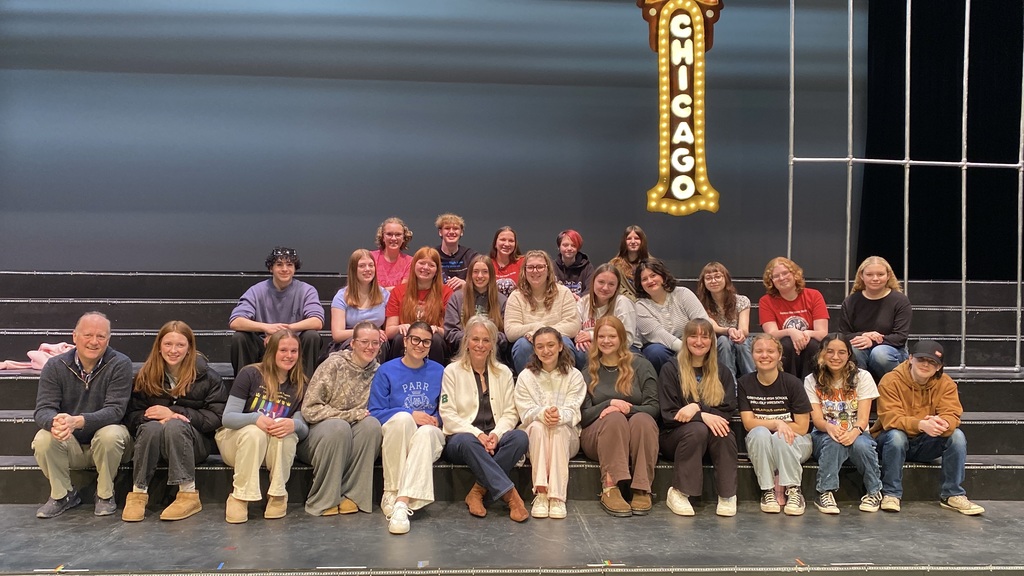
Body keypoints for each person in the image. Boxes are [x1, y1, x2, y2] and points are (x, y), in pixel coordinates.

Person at [122, 321, 228, 522]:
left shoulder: (208, 377)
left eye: (180, 345)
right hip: (155, 442)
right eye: (168, 344)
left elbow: (217, 417)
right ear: (159, 347)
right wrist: (151, 416)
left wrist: (173, 413)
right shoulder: (145, 375)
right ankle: (138, 493)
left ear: (189, 348)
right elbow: (131, 415)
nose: (173, 350)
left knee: (175, 425)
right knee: (151, 427)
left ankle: (188, 494)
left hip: (194, 445)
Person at [32, 312, 133, 519]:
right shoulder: (55, 366)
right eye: (87, 335)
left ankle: (105, 494)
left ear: (108, 339)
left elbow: (115, 410)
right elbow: (43, 409)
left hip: (109, 444)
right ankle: (62, 495)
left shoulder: (120, 364)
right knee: (43, 438)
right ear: (74, 336)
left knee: (110, 434)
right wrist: (56, 422)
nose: (94, 342)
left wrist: (78, 421)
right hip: (71, 444)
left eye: (101, 336)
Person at [871, 340, 984, 515]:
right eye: (921, 359)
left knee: (957, 436)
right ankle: (891, 494)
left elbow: (952, 414)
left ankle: (952, 494)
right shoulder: (891, 380)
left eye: (932, 362)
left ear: (939, 367)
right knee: (896, 436)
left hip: (924, 443)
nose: (926, 364)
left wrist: (942, 423)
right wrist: (921, 424)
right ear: (910, 358)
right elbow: (889, 418)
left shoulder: (946, 383)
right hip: (890, 442)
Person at [440, 316, 530, 522]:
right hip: (463, 441)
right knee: (466, 440)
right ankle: (511, 497)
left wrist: (496, 436)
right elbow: (448, 414)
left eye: (486, 340)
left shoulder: (504, 372)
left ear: (492, 345)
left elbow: (511, 413)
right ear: (466, 343)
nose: (480, 345)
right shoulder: (451, 371)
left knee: (520, 438)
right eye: (475, 339)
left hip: (494, 438)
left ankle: (478, 491)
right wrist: (478, 434)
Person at [215, 330, 309, 523]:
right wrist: (253, 419)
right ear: (272, 350)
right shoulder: (250, 373)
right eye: (283, 350)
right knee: (254, 432)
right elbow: (228, 418)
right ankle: (239, 497)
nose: (289, 356)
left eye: (294, 351)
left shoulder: (300, 384)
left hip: (272, 449)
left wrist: (294, 424)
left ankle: (277, 495)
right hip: (237, 444)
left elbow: (303, 428)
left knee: (288, 434)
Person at [298, 321, 383, 516]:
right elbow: (310, 409)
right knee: (339, 427)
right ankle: (324, 498)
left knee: (371, 426)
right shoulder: (333, 365)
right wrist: (349, 416)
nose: (370, 347)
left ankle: (353, 496)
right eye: (364, 342)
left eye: (375, 343)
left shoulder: (378, 372)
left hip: (352, 435)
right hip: (319, 436)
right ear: (352, 343)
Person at [368, 322, 445, 535]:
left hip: (429, 434)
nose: (420, 345)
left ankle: (401, 502)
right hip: (398, 433)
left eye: (426, 341)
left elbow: (447, 407)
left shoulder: (439, 371)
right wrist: (411, 414)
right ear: (406, 341)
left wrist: (437, 419)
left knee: (426, 433)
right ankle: (391, 491)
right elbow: (375, 411)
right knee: (402, 418)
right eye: (416, 339)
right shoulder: (387, 370)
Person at [657, 319, 738, 517]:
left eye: (705, 336)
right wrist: (702, 416)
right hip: (675, 437)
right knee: (698, 429)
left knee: (723, 432)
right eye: (694, 336)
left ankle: (727, 494)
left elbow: (727, 410)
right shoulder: (671, 369)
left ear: (712, 340)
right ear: (685, 340)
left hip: (709, 437)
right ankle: (679, 492)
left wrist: (698, 410)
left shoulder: (722, 372)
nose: (699, 341)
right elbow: (669, 415)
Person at [580, 317, 659, 517]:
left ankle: (642, 487)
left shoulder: (641, 365)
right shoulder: (588, 371)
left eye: (612, 336)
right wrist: (609, 405)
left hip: (633, 434)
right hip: (598, 437)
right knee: (614, 419)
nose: (607, 341)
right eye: (602, 336)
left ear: (622, 338)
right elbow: (583, 415)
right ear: (596, 339)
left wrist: (627, 410)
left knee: (643, 420)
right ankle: (610, 487)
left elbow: (654, 408)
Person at [804, 334, 882, 515]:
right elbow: (817, 420)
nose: (835, 357)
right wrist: (830, 428)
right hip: (824, 433)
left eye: (841, 352)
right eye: (829, 351)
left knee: (862, 445)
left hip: (858, 431)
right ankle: (825, 491)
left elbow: (863, 420)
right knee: (833, 442)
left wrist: (853, 432)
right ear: (821, 354)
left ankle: (874, 491)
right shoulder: (811, 380)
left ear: (849, 355)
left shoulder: (863, 377)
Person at [515, 327, 587, 520]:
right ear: (535, 350)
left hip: (566, 438)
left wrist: (558, 416)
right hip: (535, 437)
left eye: (550, 345)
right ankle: (541, 493)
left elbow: (574, 410)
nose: (546, 351)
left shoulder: (574, 376)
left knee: (558, 429)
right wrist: (542, 414)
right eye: (540, 346)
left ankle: (557, 496)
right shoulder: (526, 377)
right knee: (538, 427)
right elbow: (524, 412)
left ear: (561, 346)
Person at [738, 333, 812, 516]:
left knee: (780, 437)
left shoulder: (792, 383)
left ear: (779, 355)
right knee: (759, 433)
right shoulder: (745, 383)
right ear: (752, 355)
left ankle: (794, 489)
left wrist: (780, 429)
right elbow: (748, 423)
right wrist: (778, 422)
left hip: (797, 443)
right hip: (763, 443)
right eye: (759, 351)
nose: (765, 355)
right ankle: (768, 490)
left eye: (770, 351)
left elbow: (802, 427)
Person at [228, 246, 324, 378]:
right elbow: (235, 321)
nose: (285, 269)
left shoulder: (306, 290)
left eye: (289, 265)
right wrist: (266, 327)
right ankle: (244, 386)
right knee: (240, 337)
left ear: (295, 268)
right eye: (279, 265)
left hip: (293, 347)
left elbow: (317, 321)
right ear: (271, 268)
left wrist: (283, 332)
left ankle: (304, 389)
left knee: (312, 336)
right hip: (264, 347)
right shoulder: (256, 290)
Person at [505, 250, 583, 374]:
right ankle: (530, 387)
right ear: (524, 271)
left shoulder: (563, 292)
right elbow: (510, 331)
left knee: (565, 343)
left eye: (540, 267)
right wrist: (536, 327)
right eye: (530, 267)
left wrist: (544, 333)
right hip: (528, 344)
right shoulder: (516, 296)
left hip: (557, 339)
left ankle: (563, 386)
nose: (535, 271)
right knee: (522, 345)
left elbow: (573, 326)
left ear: (548, 270)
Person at [840, 256, 912, 382]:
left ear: (888, 275)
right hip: (862, 349)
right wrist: (865, 335)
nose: (875, 278)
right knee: (855, 350)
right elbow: (844, 335)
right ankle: (860, 389)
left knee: (880, 354)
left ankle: (896, 386)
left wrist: (873, 341)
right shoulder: (851, 301)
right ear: (861, 276)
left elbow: (900, 337)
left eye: (880, 274)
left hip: (892, 349)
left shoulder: (900, 300)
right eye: (869, 274)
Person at [634, 258, 710, 375]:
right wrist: (688, 349)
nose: (650, 281)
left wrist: (697, 345)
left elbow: (703, 322)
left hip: (694, 343)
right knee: (655, 352)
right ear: (640, 284)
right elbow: (658, 334)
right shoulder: (640, 306)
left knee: (719, 343)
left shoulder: (683, 293)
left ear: (663, 276)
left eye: (653, 275)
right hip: (665, 350)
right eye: (644, 279)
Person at [758, 257, 829, 378]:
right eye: (776, 276)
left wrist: (806, 334)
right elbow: (771, 334)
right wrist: (791, 332)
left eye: (785, 273)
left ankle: (809, 388)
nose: (781, 278)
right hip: (786, 348)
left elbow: (822, 333)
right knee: (785, 343)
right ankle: (789, 387)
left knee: (812, 344)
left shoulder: (814, 295)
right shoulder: (766, 301)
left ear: (795, 274)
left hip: (809, 345)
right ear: (771, 281)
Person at [384, 247, 454, 364]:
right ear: (414, 266)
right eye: (421, 263)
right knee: (400, 338)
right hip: (405, 340)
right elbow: (389, 331)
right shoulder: (398, 291)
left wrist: (437, 329)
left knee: (435, 339)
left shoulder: (446, 292)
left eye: (431, 265)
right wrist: (399, 328)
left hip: (434, 341)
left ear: (437, 270)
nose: (425, 268)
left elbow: (450, 332)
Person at [696, 261, 754, 378]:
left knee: (741, 344)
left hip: (740, 339)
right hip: (716, 341)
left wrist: (737, 334)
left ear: (726, 278)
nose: (713, 281)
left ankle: (754, 379)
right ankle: (730, 383)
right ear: (704, 282)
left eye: (717, 277)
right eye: (708, 278)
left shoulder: (742, 300)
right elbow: (713, 326)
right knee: (723, 340)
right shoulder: (700, 304)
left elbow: (744, 330)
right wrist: (729, 330)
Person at [327, 249, 389, 357]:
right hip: (349, 342)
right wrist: (368, 332)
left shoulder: (384, 294)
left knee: (378, 344)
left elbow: (389, 329)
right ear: (353, 270)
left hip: (378, 341)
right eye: (362, 266)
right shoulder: (341, 296)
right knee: (360, 344)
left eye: (371, 265)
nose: (367, 269)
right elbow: (337, 334)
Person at [444, 255, 508, 358]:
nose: (480, 276)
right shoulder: (457, 298)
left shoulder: (502, 300)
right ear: (470, 274)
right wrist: (474, 340)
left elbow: (505, 335)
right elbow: (451, 333)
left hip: (493, 355)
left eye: (485, 272)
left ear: (491, 274)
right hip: (462, 355)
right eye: (475, 271)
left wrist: (486, 340)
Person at [577, 264, 638, 354]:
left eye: (611, 284)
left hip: (623, 348)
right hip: (591, 345)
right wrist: (580, 338)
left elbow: (627, 338)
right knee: (580, 351)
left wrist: (591, 335)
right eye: (601, 282)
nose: (605, 288)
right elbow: (575, 329)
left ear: (617, 287)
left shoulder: (623, 303)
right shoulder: (583, 302)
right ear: (593, 282)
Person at [435, 213, 479, 291]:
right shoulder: (432, 255)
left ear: (461, 232)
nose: (451, 232)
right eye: (447, 228)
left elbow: (481, 281)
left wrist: (465, 284)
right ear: (440, 232)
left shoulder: (471, 256)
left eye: (455, 228)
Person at [371, 217, 414, 290]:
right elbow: (366, 288)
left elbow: (402, 290)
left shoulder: (410, 261)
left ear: (404, 237)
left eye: (398, 234)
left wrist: (379, 290)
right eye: (389, 234)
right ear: (383, 237)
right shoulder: (371, 257)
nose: (393, 238)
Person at [609, 225, 651, 300]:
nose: (633, 242)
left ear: (642, 241)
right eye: (629, 239)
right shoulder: (614, 265)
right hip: (625, 304)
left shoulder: (652, 263)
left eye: (637, 238)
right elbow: (615, 288)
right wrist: (634, 300)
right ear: (624, 242)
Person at [553, 229, 594, 298]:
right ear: (559, 247)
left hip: (581, 304)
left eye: (573, 245)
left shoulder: (587, 267)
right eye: (565, 245)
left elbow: (591, 290)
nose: (569, 248)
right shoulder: (552, 267)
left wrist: (578, 298)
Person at [490, 226, 523, 297]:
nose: (507, 244)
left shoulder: (523, 262)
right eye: (503, 240)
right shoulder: (487, 264)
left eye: (511, 241)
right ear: (495, 243)